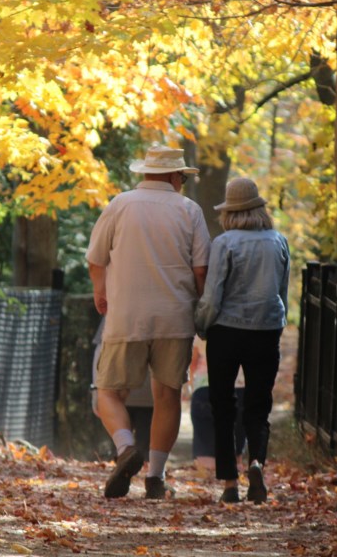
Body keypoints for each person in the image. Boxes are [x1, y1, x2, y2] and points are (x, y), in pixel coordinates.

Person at [86, 143, 210, 499]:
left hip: (126, 315)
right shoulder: (190, 210)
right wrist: (198, 306)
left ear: (146, 173)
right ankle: (155, 477)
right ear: (174, 176)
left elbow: (96, 259)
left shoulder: (120, 204)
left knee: (108, 392)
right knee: (167, 394)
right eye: (182, 177)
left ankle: (126, 448)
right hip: (175, 317)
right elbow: (201, 269)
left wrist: (100, 291)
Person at [195, 177, 290, 504]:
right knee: (258, 404)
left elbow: (213, 294)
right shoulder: (278, 241)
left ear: (230, 212)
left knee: (221, 404)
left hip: (227, 331)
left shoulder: (225, 243)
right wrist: (278, 324)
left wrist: (203, 326)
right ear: (259, 208)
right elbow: (283, 292)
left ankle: (229, 483)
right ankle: (256, 463)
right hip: (266, 329)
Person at [91, 318, 153, 459]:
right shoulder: (165, 302)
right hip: (150, 396)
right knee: (146, 449)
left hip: (117, 396)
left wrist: (96, 391)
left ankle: (123, 469)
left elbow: (100, 352)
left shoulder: (117, 304)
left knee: (122, 447)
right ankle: (150, 474)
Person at [188, 338, 246, 473]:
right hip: (239, 390)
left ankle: (209, 479)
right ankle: (231, 483)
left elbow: (192, 364)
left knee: (205, 454)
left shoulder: (204, 330)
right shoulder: (249, 325)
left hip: (205, 389)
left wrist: (191, 387)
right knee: (235, 451)